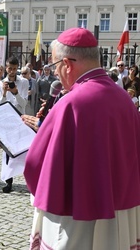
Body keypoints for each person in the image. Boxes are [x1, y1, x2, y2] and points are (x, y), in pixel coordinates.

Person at [24, 27, 140, 249]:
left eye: (54, 66)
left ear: (67, 64)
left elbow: (35, 165)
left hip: (74, 216)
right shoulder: (125, 100)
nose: (55, 73)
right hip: (120, 212)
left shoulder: (70, 103)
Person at [0, 56, 29, 193]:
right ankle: (8, 181)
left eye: (14, 69)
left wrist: (15, 93)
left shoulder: (24, 82)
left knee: (23, 150)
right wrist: (4, 92)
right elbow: (0, 105)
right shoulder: (0, 84)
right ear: (6, 68)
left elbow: (24, 104)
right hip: (7, 120)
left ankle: (29, 179)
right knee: (8, 151)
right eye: (10, 68)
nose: (12, 71)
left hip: (20, 119)